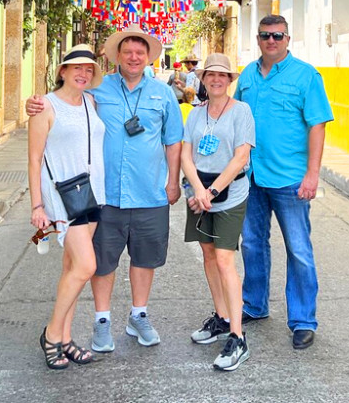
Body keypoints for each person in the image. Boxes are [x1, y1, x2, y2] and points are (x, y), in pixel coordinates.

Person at [26, 26, 183, 352]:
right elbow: (64, 102)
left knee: (145, 257)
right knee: (101, 260)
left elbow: (174, 141)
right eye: (128, 52)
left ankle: (138, 315)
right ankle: (101, 320)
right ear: (117, 57)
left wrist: (172, 181)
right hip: (103, 194)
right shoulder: (98, 90)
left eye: (140, 52)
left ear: (149, 57)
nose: (134, 57)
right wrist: (34, 104)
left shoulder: (163, 93)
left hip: (150, 190)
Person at [234, 15, 334, 351]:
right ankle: (254, 305)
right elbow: (236, 118)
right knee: (251, 244)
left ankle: (303, 320)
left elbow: (317, 125)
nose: (271, 41)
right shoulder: (247, 75)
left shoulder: (306, 76)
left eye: (277, 35)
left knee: (299, 250)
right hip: (251, 176)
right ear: (258, 39)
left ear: (288, 38)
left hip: (290, 179)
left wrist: (312, 174)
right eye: (265, 36)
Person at [27, 44, 106, 370]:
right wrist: (37, 205)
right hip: (63, 197)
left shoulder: (91, 101)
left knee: (72, 269)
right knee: (87, 267)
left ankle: (66, 338)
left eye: (88, 69)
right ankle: (51, 334)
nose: (83, 73)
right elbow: (33, 159)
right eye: (77, 68)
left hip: (93, 194)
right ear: (62, 71)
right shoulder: (44, 106)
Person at [181, 54, 254, 371]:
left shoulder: (241, 112)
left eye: (222, 76)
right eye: (211, 75)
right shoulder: (196, 115)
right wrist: (198, 189)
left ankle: (238, 337)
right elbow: (186, 154)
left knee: (225, 259)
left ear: (230, 80)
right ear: (203, 79)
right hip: (199, 194)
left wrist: (211, 192)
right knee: (208, 254)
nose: (216, 80)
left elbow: (241, 157)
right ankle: (222, 317)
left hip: (230, 193)